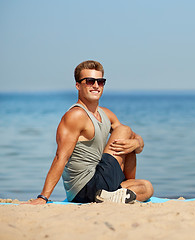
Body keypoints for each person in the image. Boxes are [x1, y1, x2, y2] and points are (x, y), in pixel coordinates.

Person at [29, 60, 153, 204]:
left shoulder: (106, 114)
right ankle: (114, 195)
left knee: (146, 187)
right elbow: (61, 157)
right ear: (78, 85)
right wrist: (43, 197)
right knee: (124, 130)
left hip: (101, 186)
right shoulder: (76, 116)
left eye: (100, 82)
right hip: (85, 187)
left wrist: (136, 143)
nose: (95, 86)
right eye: (90, 81)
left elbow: (137, 142)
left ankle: (116, 195)